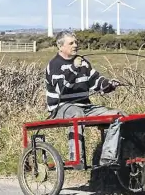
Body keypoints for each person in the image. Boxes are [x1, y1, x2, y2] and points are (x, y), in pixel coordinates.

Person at [45, 31, 124, 170]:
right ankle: (76, 159)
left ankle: (108, 157)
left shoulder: (83, 63)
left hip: (85, 106)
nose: (75, 45)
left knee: (118, 115)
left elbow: (96, 81)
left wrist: (109, 84)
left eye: (76, 42)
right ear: (60, 46)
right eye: (71, 43)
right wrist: (74, 68)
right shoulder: (54, 65)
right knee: (77, 115)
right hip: (61, 107)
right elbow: (62, 88)